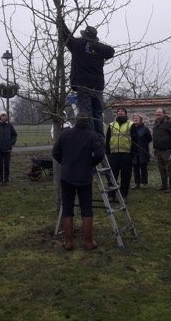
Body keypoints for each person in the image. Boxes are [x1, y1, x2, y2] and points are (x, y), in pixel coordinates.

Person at [52, 113, 105, 250]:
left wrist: (65, 163)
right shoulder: (92, 135)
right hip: (84, 177)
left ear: (76, 121)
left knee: (67, 209)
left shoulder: (65, 134)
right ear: (88, 122)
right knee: (86, 209)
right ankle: (88, 241)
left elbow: (55, 152)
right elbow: (100, 154)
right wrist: (91, 163)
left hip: (66, 176)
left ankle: (68, 242)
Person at [57, 17, 115, 134]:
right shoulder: (100, 48)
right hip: (98, 87)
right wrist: (97, 46)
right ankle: (99, 138)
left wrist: (61, 23)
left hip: (83, 85)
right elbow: (111, 51)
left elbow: (66, 36)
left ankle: (91, 137)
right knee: (97, 114)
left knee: (87, 114)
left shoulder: (78, 45)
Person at [105, 107, 134, 201]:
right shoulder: (111, 125)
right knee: (112, 176)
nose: (120, 112)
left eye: (122, 111)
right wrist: (108, 153)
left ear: (126, 113)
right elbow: (107, 139)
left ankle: (123, 195)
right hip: (114, 155)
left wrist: (132, 155)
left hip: (126, 155)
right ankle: (111, 195)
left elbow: (135, 140)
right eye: (119, 111)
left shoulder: (131, 124)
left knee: (125, 176)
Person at [152, 108, 171, 192]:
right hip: (158, 150)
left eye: (159, 113)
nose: (158, 114)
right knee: (161, 168)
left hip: (167, 150)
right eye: (156, 113)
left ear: (164, 114)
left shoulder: (170, 123)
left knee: (170, 169)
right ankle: (164, 186)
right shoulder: (156, 123)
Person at [130, 113, 152, 189]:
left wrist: (143, 144)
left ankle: (144, 183)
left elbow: (149, 139)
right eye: (134, 118)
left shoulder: (145, 129)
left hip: (143, 151)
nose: (135, 119)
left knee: (143, 168)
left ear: (141, 119)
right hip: (134, 151)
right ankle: (137, 183)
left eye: (137, 118)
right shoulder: (131, 128)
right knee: (135, 168)